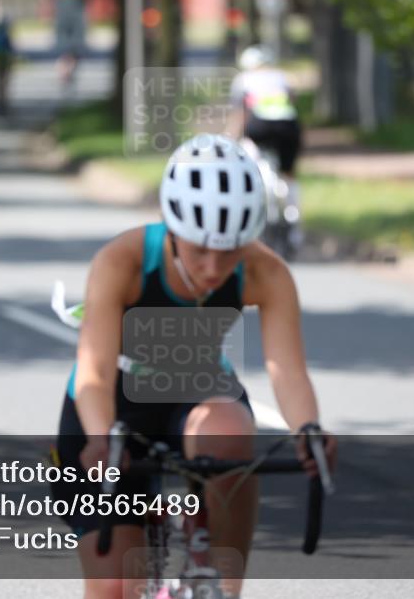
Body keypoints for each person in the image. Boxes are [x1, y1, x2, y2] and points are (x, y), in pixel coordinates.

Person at [52, 134, 337, 599]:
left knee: (228, 431)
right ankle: (148, 526)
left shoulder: (265, 272)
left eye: (230, 251)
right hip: (111, 407)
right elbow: (94, 374)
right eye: (199, 248)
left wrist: (307, 427)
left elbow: (286, 370)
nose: (212, 266)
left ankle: (220, 581)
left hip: (195, 391)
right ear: (171, 226)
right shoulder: (122, 262)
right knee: (114, 588)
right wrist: (102, 438)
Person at [228, 45, 303, 247]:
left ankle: (263, 210)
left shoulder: (243, 79)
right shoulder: (282, 76)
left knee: (255, 164)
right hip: (288, 126)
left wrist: (233, 138)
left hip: (259, 126)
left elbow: (240, 113)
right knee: (289, 175)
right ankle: (294, 223)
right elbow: (292, 101)